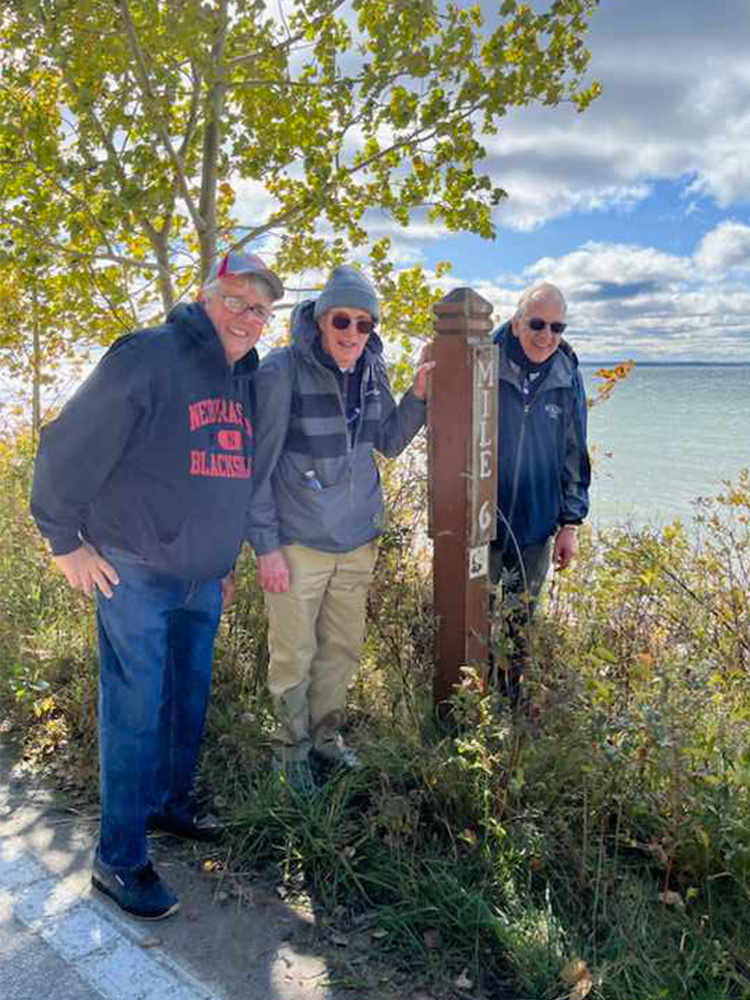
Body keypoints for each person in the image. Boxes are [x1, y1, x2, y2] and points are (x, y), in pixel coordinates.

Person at [30, 250, 283, 920]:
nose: (248, 318)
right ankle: (118, 859)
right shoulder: (147, 356)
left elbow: (227, 475)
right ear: (206, 297)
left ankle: (169, 808)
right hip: (134, 571)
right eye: (236, 300)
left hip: (202, 580)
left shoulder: (242, 379)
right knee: (135, 711)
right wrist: (64, 544)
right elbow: (64, 447)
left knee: (184, 705)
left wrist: (224, 561)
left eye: (260, 309)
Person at [248, 265, 434, 786]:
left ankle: (326, 740)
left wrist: (419, 395)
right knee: (293, 653)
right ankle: (289, 753)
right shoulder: (281, 371)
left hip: (357, 542)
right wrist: (266, 548)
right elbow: (256, 469)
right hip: (297, 543)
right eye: (342, 321)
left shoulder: (374, 370)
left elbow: (390, 442)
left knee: (342, 649)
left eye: (364, 324)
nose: (353, 333)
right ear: (321, 320)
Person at [490, 282, 590, 706]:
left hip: (536, 523)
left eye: (556, 326)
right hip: (483, 520)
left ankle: (508, 704)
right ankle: (465, 710)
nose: (546, 335)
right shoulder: (484, 363)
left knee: (520, 620)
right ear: (516, 324)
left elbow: (574, 451)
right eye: (536, 323)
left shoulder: (567, 377)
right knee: (470, 618)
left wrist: (571, 523)